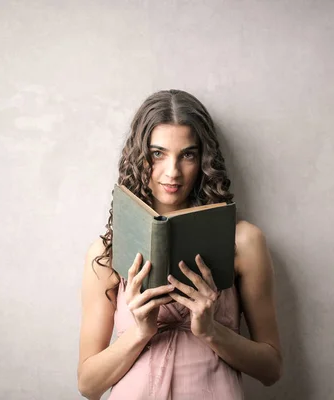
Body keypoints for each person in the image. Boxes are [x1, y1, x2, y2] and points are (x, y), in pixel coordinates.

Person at [77, 89, 282, 399]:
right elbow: (89, 386)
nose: (172, 172)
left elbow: (271, 370)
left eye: (187, 154)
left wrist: (212, 332)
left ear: (203, 159)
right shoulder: (106, 253)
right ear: (139, 156)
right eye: (157, 153)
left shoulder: (243, 242)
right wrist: (141, 331)